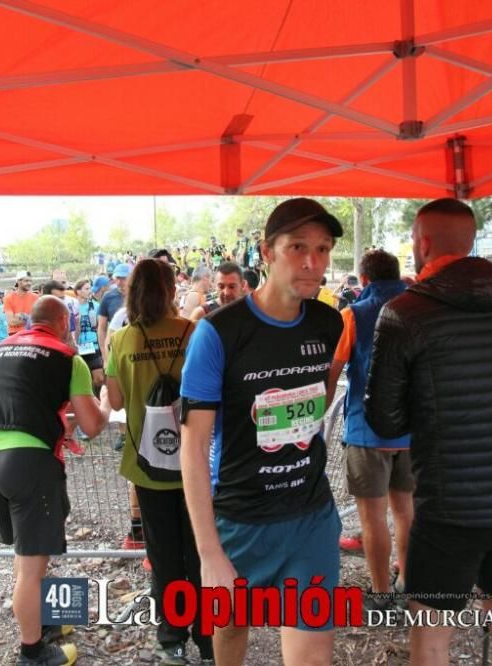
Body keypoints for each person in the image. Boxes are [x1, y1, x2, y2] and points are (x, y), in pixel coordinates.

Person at [363, 198, 492, 666]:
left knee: (430, 635)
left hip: (453, 511)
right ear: (470, 243)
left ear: (422, 243)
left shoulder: (405, 313)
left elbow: (384, 421)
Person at [180, 198, 344, 665]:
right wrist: (208, 552)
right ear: (266, 252)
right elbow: (192, 448)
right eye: (297, 247)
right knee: (231, 631)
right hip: (240, 520)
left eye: (323, 248)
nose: (313, 261)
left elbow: (319, 398)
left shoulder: (328, 322)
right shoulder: (219, 333)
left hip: (310, 516)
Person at [0, 296, 112, 666]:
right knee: (31, 568)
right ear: (64, 322)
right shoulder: (69, 359)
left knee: (23, 553)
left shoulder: (2, 348)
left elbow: (18, 402)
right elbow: (93, 425)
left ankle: (45, 619)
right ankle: (32, 652)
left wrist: (54, 423)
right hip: (27, 463)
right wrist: (108, 403)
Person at [105, 259, 211, 665]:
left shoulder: (121, 340)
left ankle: (171, 639)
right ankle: (207, 637)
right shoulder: (192, 332)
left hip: (145, 466)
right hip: (194, 464)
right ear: (171, 290)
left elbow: (114, 402)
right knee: (200, 551)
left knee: (164, 556)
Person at [326, 249, 412, 609]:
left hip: (365, 430)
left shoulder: (352, 315)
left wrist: (318, 412)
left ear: (364, 279)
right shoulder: (418, 310)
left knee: (372, 516)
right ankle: (407, 579)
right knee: (406, 510)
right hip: (410, 430)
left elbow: (332, 372)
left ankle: (380, 592)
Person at [74, 279, 104, 390]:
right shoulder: (72, 305)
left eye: (90, 288)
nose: (90, 291)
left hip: (93, 345)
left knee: (99, 379)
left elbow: (100, 327)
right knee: (80, 379)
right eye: (86, 288)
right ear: (78, 291)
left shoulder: (95, 306)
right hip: (77, 346)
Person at [96, 264, 129, 362]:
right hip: (115, 349)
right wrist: (105, 356)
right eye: (117, 278)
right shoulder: (108, 297)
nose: (119, 282)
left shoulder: (140, 296)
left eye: (123, 278)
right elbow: (102, 328)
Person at [3, 271, 38, 338]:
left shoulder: (36, 297)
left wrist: (22, 317)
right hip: (15, 335)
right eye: (26, 281)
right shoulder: (8, 298)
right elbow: (11, 322)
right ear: (18, 281)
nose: (29, 283)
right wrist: (29, 318)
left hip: (31, 334)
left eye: (30, 281)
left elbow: (37, 320)